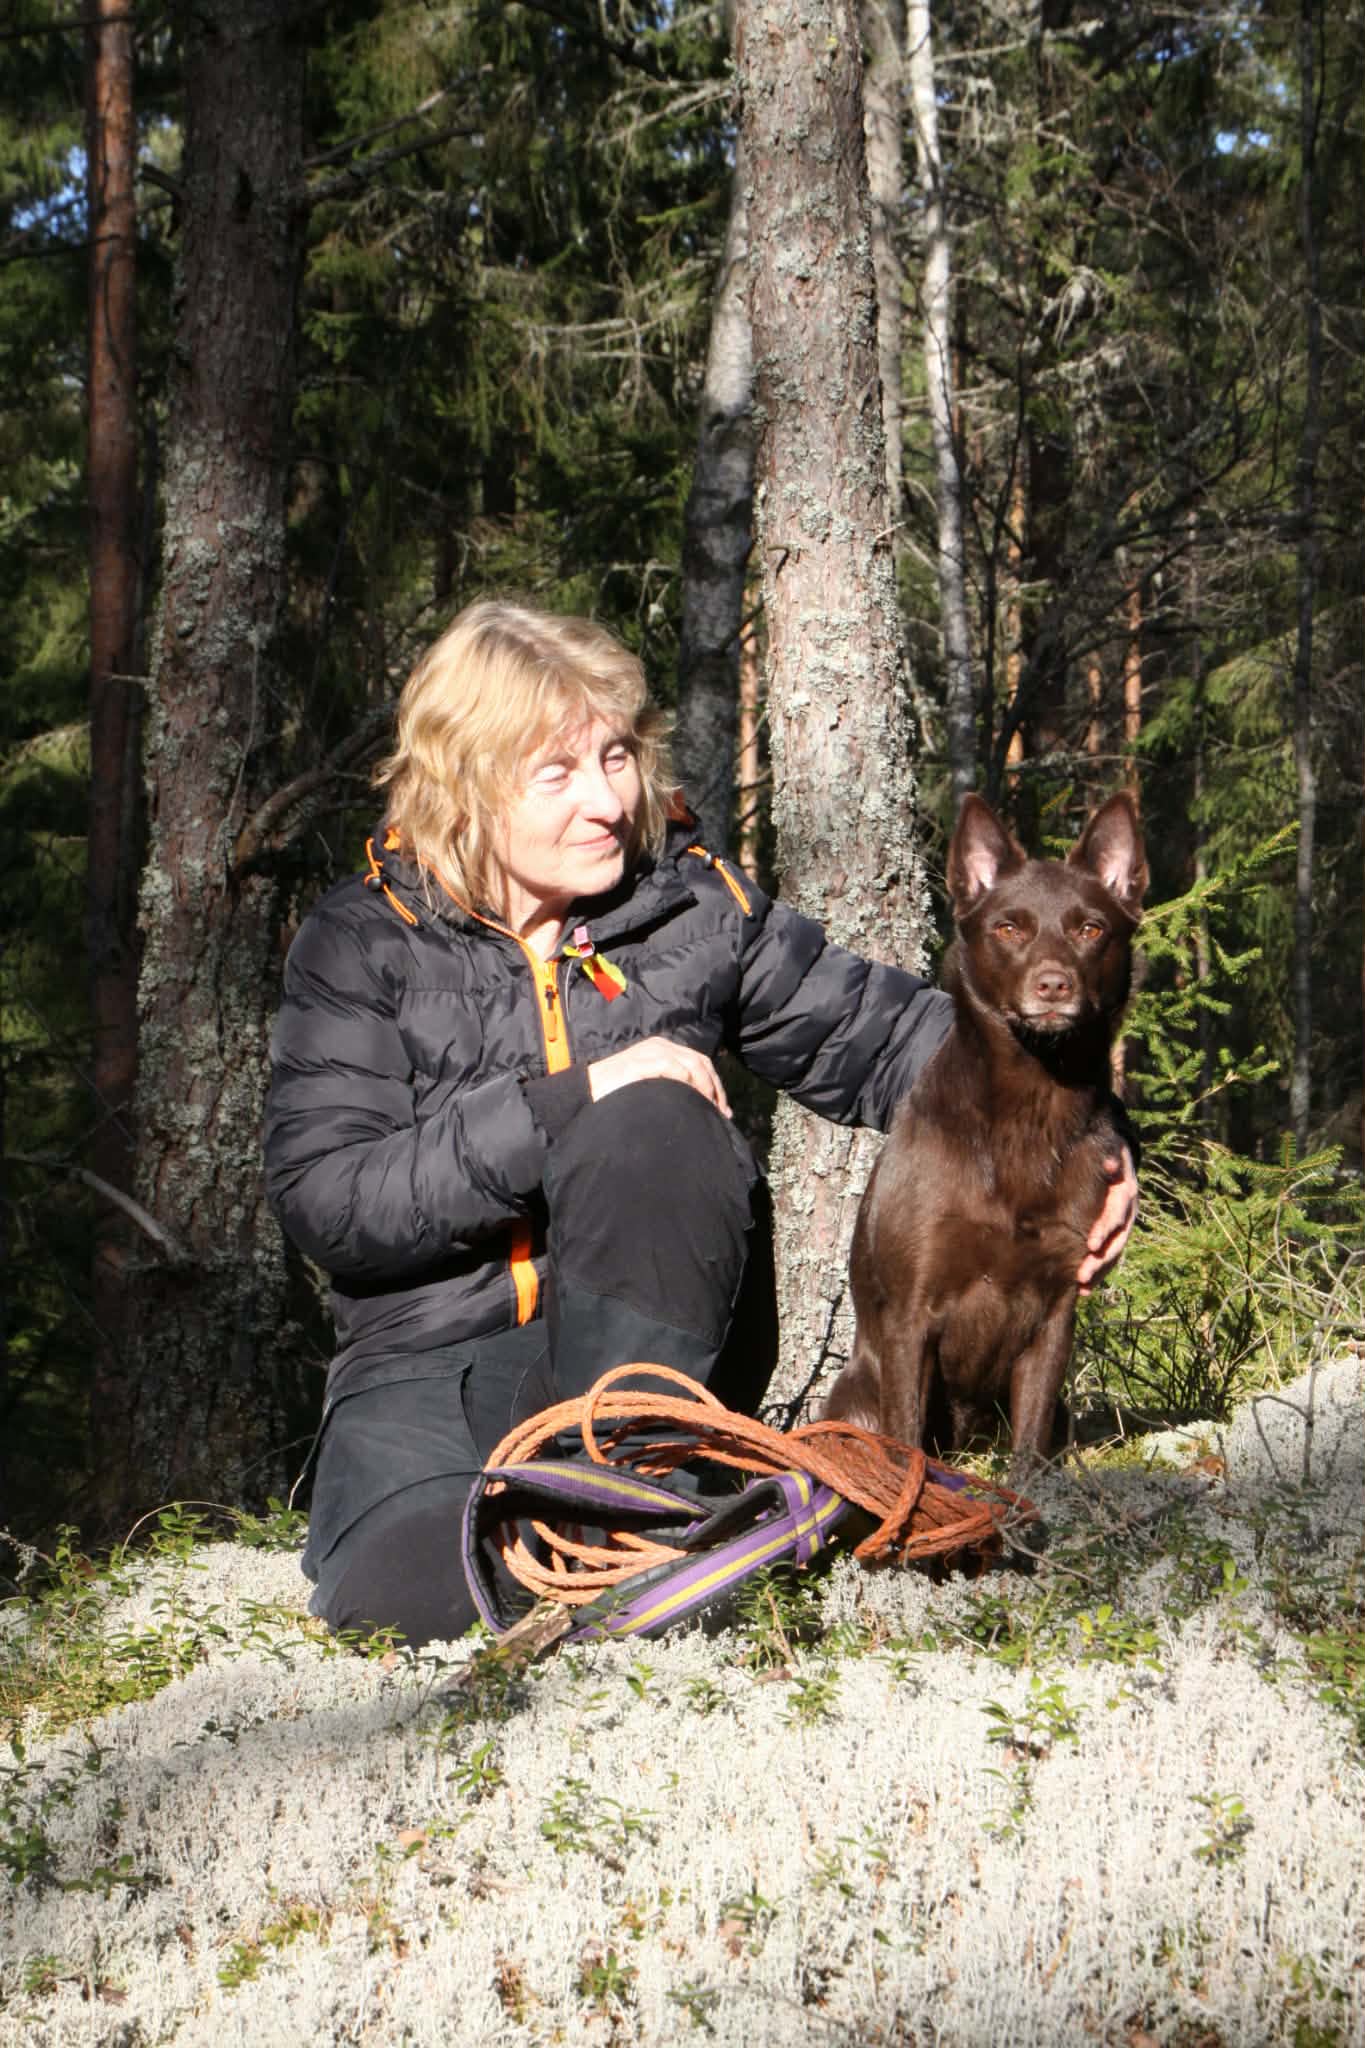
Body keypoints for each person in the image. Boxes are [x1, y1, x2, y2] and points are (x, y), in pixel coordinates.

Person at [264, 599, 1136, 1646]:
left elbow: (909, 1039)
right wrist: (569, 1099)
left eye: (617, 756)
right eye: (558, 772)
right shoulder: (363, 940)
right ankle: (655, 1556)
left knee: (660, 1121)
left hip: (653, 1374)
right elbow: (333, 1200)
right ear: (466, 782)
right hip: (429, 1374)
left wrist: (1101, 1138)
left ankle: (632, 1509)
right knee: (413, 1594)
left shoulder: (687, 905)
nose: (605, 799)